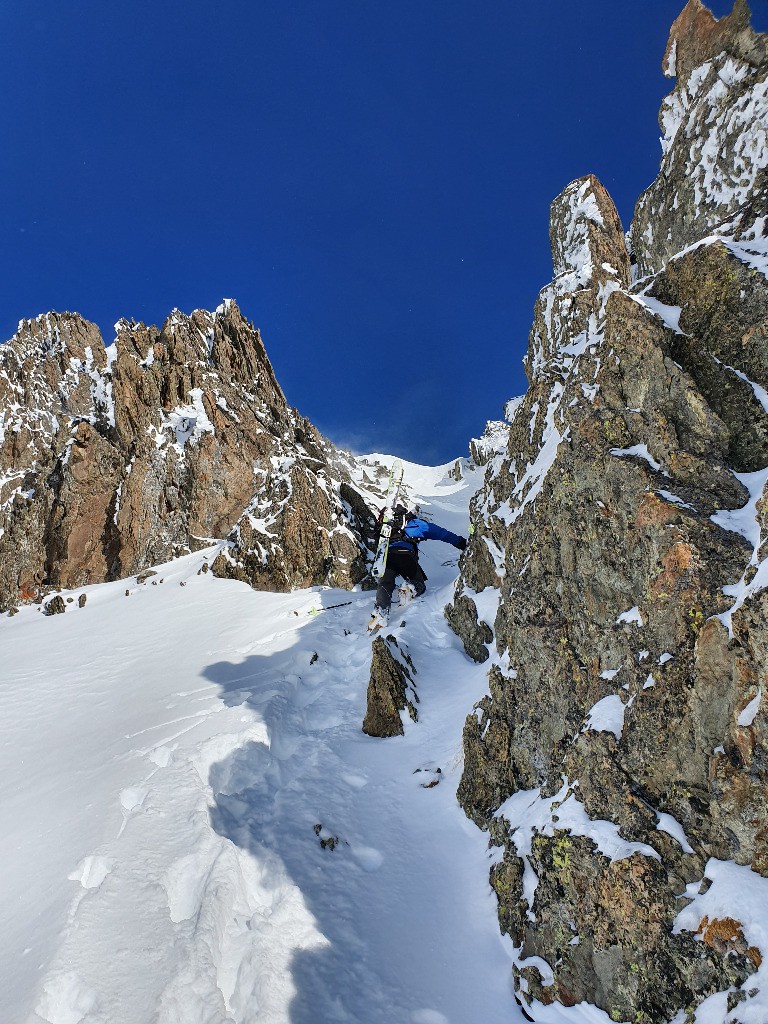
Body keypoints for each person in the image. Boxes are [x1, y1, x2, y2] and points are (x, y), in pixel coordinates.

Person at [369, 505, 467, 633]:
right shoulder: (414, 523)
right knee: (419, 582)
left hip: (386, 557)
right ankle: (410, 588)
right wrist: (460, 542)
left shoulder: (386, 527)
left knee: (385, 584)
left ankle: (381, 611)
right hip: (406, 555)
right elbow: (440, 533)